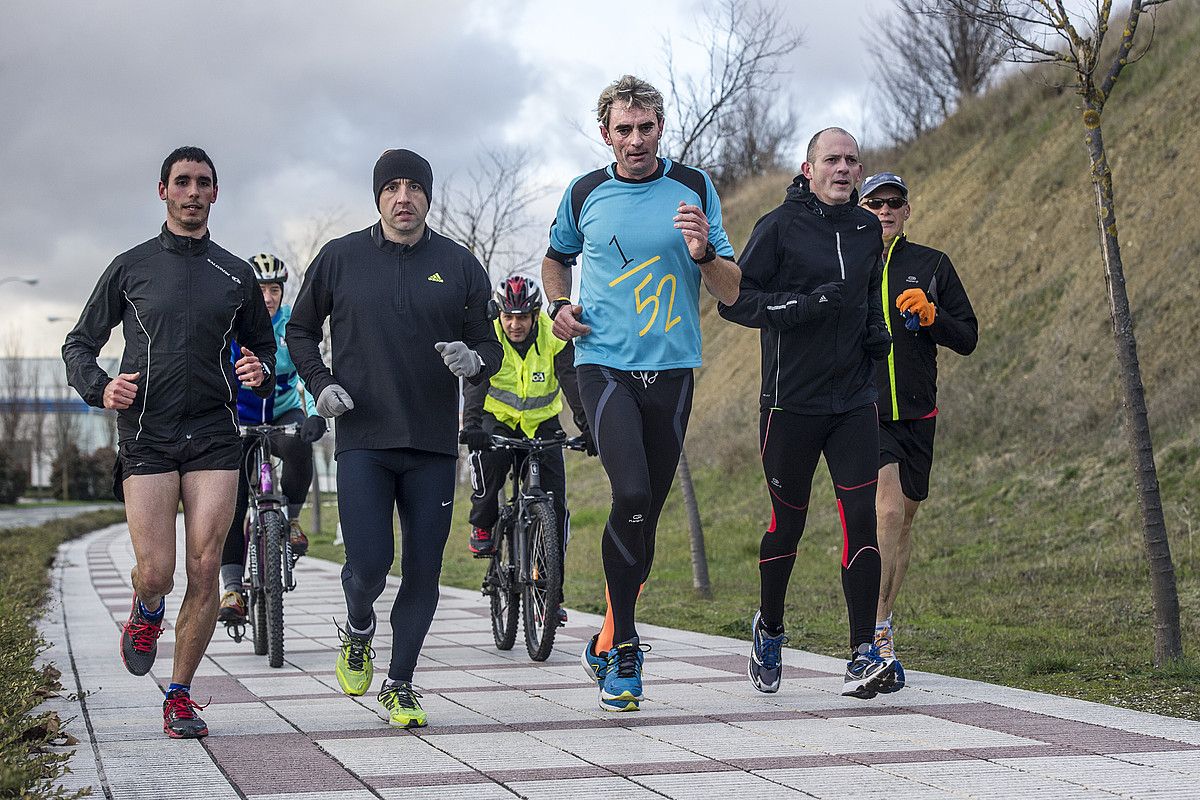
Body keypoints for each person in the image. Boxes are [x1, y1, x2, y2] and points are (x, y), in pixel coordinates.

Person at [62, 147, 276, 738]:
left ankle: (179, 694)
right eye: (181, 182)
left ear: (215, 194)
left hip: (212, 431)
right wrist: (101, 388)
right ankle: (148, 609)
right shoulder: (130, 267)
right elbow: (78, 343)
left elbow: (264, 349)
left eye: (203, 183)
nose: (192, 192)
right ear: (162, 192)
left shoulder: (236, 275)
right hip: (148, 434)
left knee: (206, 568)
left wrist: (259, 370)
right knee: (157, 570)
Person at [543, 75, 741, 712]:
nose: (635, 139)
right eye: (623, 129)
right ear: (606, 133)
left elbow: (732, 290)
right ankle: (626, 645)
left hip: (673, 370)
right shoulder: (585, 193)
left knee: (644, 513)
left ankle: (605, 634)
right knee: (628, 491)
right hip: (602, 364)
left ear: (661, 128)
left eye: (645, 128)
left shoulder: (695, 189)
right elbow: (555, 260)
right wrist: (557, 306)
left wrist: (704, 252)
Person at [287, 148, 502, 728]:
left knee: (424, 572)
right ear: (378, 196)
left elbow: (491, 345)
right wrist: (321, 383)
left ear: (429, 197)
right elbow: (300, 329)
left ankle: (401, 683)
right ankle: (358, 628)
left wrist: (473, 360)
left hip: (432, 445)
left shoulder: (459, 265)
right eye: (392, 187)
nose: (403, 197)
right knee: (368, 568)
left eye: (414, 187)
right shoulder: (340, 258)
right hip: (363, 439)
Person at [717, 128, 896, 699]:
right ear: (808, 168)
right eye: (832, 160)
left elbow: (868, 292)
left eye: (851, 160)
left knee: (860, 519)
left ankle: (863, 650)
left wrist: (876, 331)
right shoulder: (778, 227)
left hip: (853, 403)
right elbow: (735, 302)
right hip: (789, 404)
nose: (843, 169)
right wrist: (802, 305)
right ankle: (769, 629)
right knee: (786, 524)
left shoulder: (869, 227)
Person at [858, 172, 978, 691]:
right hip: (867, 410)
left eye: (894, 203)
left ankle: (883, 619)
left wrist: (932, 318)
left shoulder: (931, 264)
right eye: (875, 202)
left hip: (918, 412)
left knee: (904, 522)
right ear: (862, 209)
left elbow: (968, 336)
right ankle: (872, 636)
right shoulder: (849, 264)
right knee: (885, 511)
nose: (885, 210)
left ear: (908, 211)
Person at [459, 275, 594, 624]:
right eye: (509, 317)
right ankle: (483, 526)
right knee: (488, 463)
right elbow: (476, 382)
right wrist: (472, 426)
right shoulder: (488, 336)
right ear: (500, 315)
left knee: (556, 506)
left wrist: (588, 427)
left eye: (522, 317)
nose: (515, 324)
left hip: (542, 424)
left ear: (535, 315)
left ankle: (552, 593)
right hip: (498, 421)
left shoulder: (553, 335)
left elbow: (571, 380)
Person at [217, 253, 328, 625]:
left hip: (282, 412)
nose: (267, 296)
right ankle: (232, 587)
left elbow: (307, 372)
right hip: (237, 418)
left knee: (299, 445)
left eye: (274, 289)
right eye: (261, 288)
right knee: (230, 500)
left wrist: (315, 413)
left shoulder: (291, 325)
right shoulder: (231, 324)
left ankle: (292, 521)